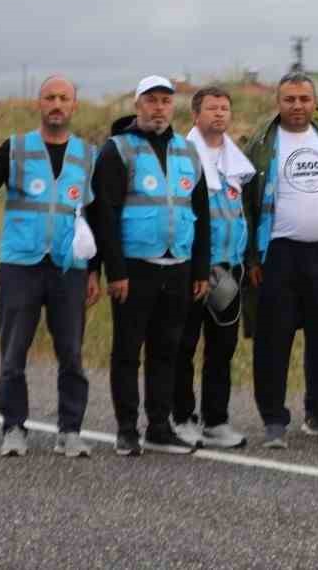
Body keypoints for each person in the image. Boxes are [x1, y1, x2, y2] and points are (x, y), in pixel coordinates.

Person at [0, 75, 99, 459]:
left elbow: (95, 218)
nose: (56, 104)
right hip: (20, 265)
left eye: (64, 98)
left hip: (69, 268)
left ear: (74, 106)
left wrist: (94, 271)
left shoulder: (89, 155)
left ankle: (70, 431)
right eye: (49, 97)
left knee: (71, 353)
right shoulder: (16, 148)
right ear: (38, 104)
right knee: (13, 353)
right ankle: (13, 428)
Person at [91, 75, 211, 456]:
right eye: (151, 100)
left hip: (177, 264)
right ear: (137, 105)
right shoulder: (117, 150)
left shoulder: (188, 152)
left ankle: (159, 427)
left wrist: (201, 269)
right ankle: (127, 428)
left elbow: (202, 213)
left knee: (167, 350)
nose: (158, 107)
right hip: (135, 267)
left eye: (165, 100)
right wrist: (116, 271)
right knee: (128, 350)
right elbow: (104, 216)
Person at [242, 71, 318, 450]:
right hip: (278, 253)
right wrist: (252, 257)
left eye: (304, 99)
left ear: (314, 101)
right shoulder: (262, 143)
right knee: (273, 340)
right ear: (278, 102)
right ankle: (274, 420)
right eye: (290, 99)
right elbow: (248, 204)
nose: (297, 106)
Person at [173, 85, 254, 450]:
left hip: (228, 268)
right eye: (211, 108)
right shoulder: (182, 156)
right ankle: (180, 416)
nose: (219, 114)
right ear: (195, 115)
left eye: (224, 108)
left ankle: (216, 420)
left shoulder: (235, 161)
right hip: (192, 268)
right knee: (183, 344)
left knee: (222, 347)